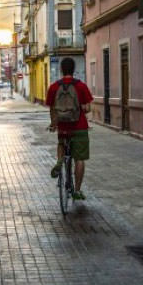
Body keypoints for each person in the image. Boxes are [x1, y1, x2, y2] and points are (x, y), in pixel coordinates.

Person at [45, 57, 93, 200]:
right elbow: (88, 108)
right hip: (79, 127)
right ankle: (77, 191)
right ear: (73, 69)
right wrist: (81, 108)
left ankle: (60, 160)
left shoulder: (54, 87)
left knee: (61, 143)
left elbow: (52, 108)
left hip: (63, 127)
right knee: (79, 159)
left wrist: (54, 124)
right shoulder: (81, 86)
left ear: (61, 70)